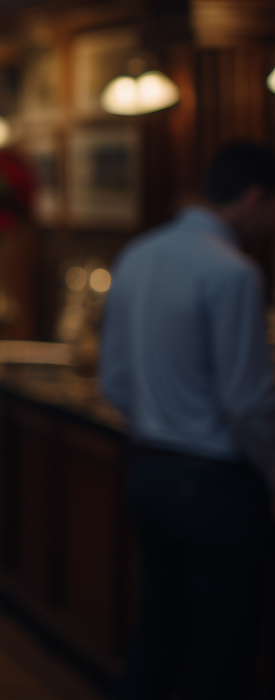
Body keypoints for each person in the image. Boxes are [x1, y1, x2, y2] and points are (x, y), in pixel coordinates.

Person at [101, 141, 275, 700]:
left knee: (154, 638)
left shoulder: (138, 254)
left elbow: (115, 383)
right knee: (219, 657)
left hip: (147, 472)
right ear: (254, 199)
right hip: (216, 483)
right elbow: (248, 402)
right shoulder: (235, 273)